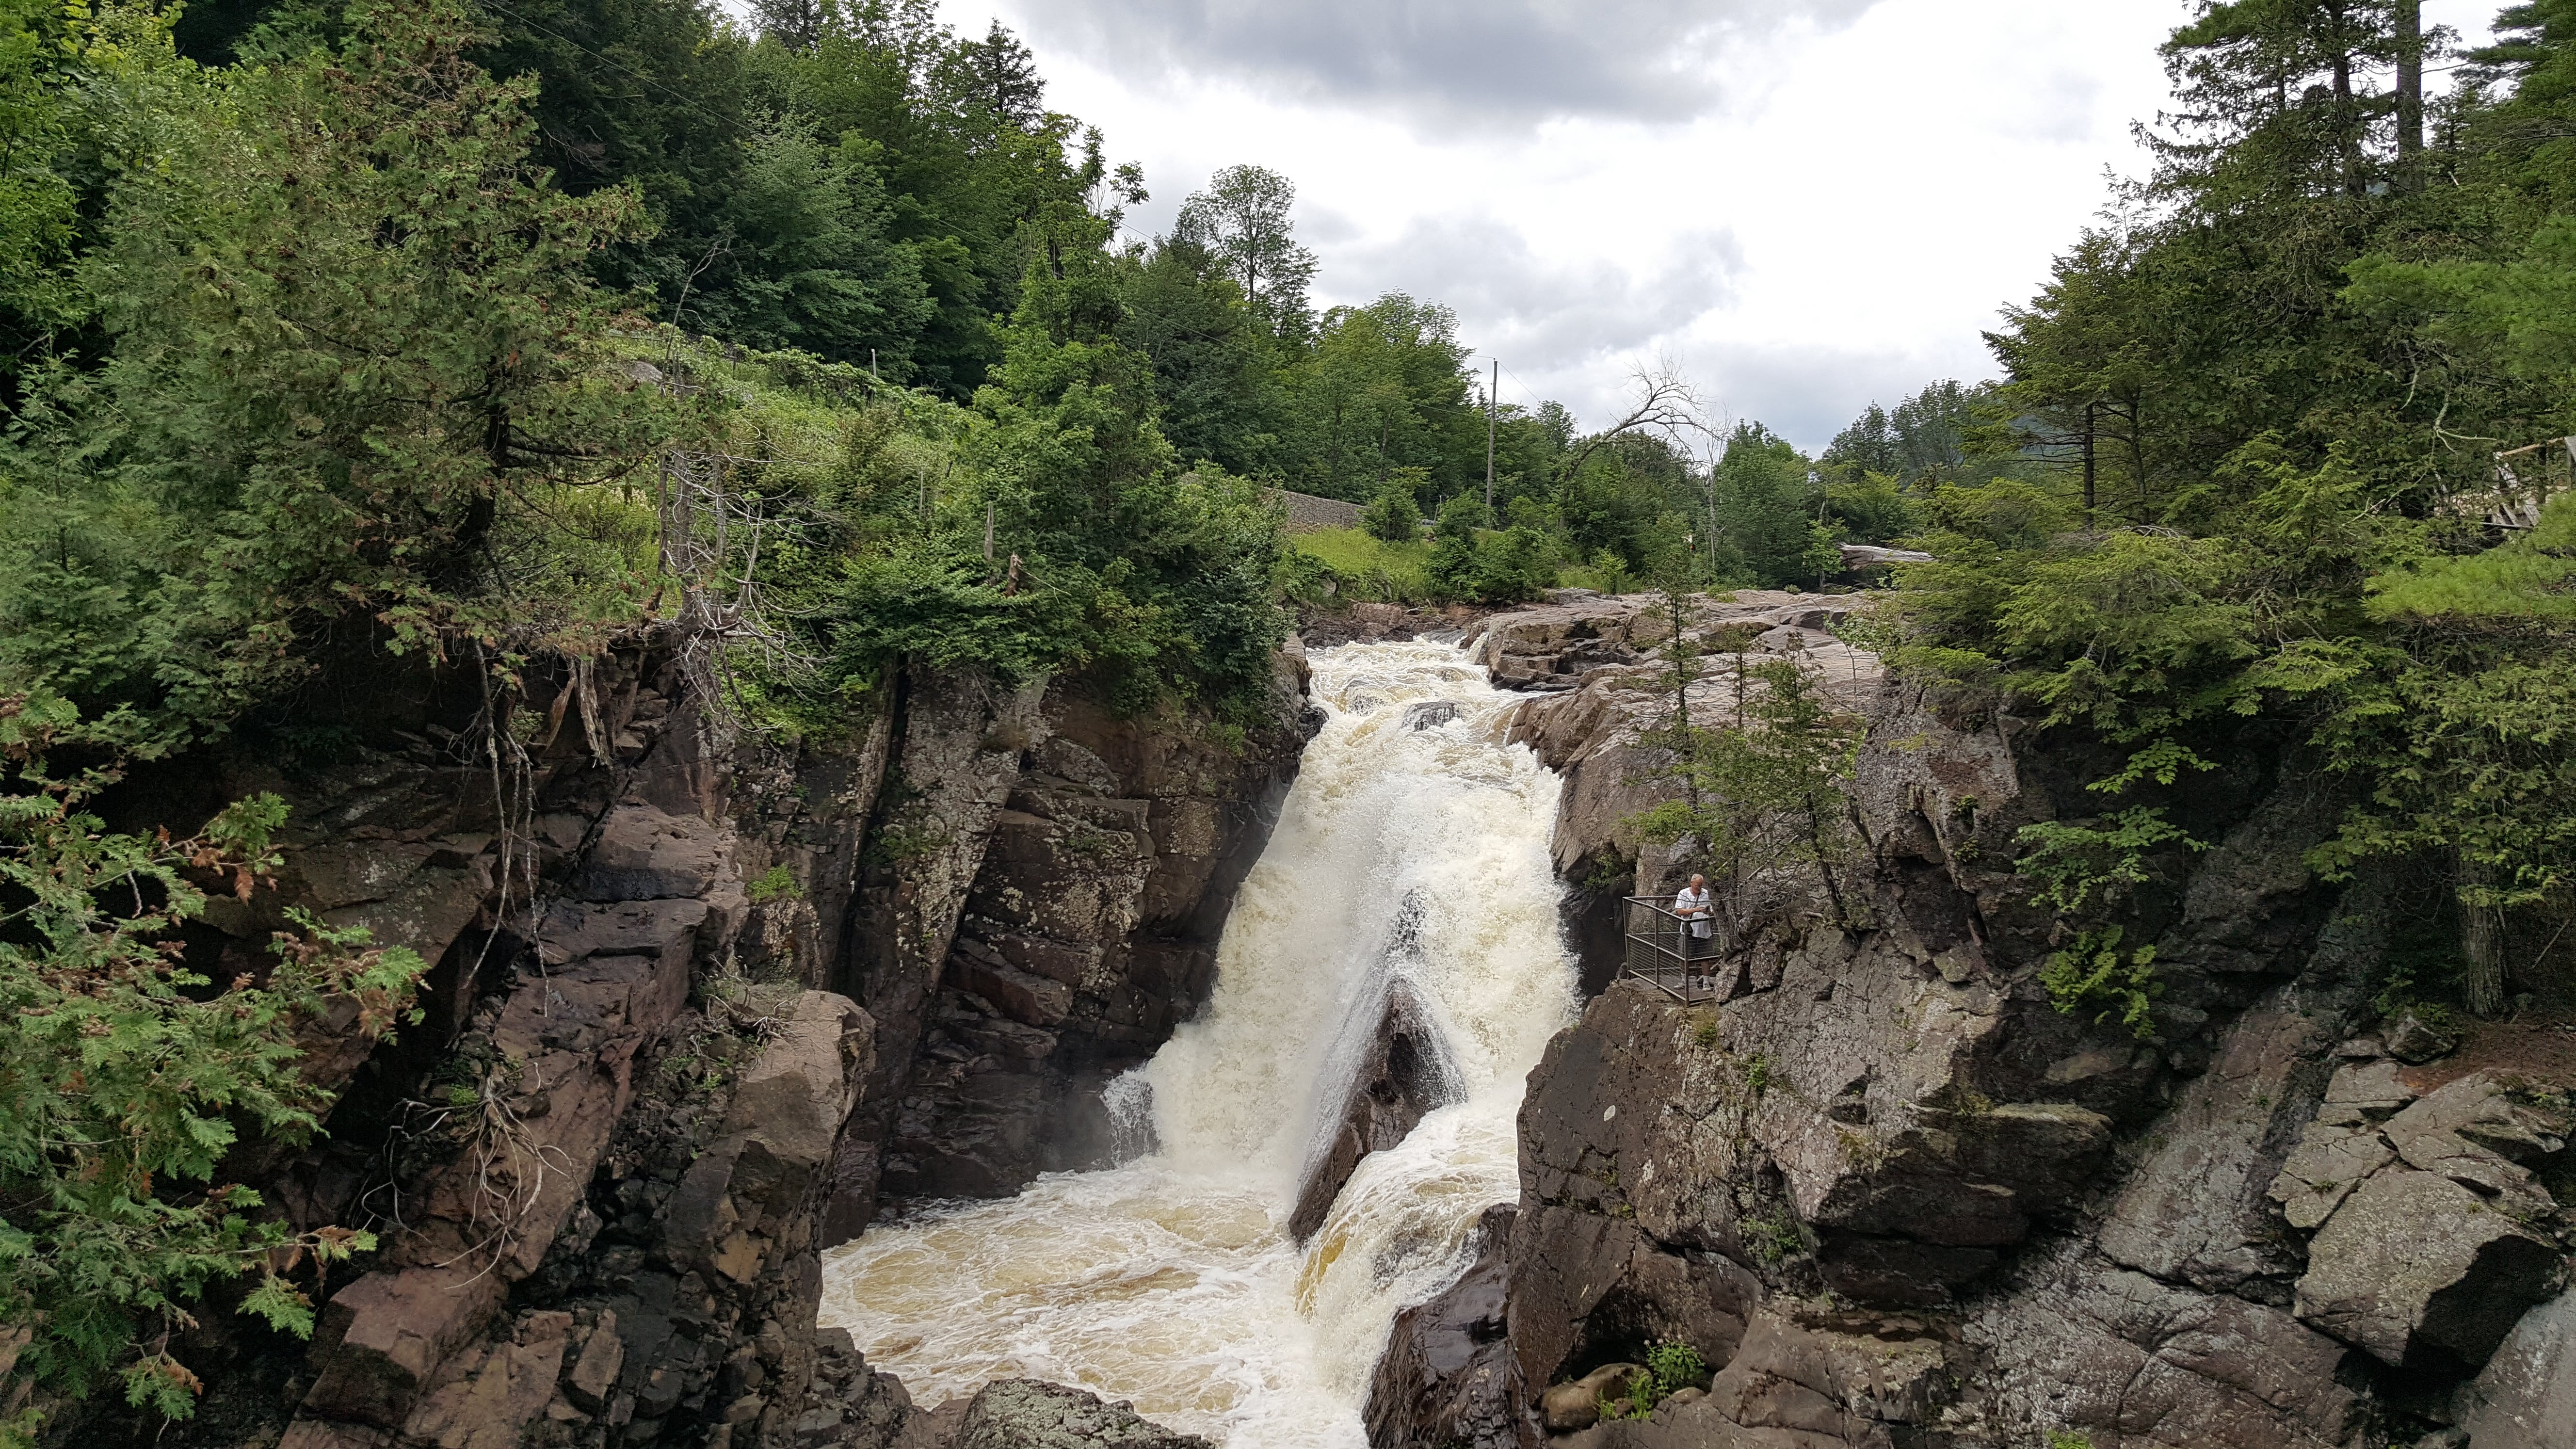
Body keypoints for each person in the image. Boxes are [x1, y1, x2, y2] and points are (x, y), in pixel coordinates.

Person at [1673, 874, 1714, 988]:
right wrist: (1694, 910)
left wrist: (1708, 912)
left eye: (1701, 885)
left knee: (1705, 957)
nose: (1699, 888)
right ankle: (1684, 981)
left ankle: (1706, 983)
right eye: (1697, 886)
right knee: (1684, 957)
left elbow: (1714, 910)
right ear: (1691, 883)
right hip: (1688, 930)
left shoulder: (1706, 893)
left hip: (1704, 930)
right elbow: (1680, 911)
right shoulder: (1683, 893)